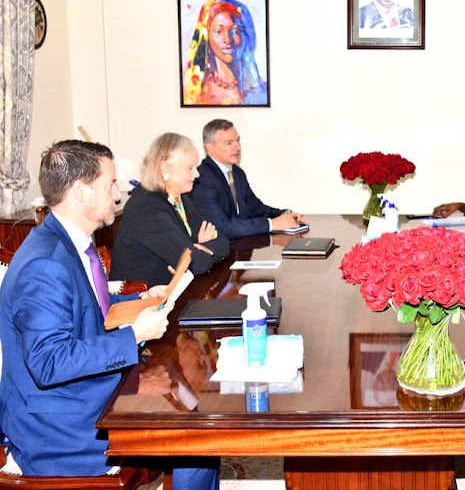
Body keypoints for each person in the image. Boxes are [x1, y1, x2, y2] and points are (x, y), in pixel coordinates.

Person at [0, 140, 218, 487]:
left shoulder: (73, 242)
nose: (117, 196)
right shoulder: (44, 265)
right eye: (109, 185)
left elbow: (89, 309)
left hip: (85, 393)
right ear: (81, 192)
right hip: (59, 429)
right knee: (194, 433)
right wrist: (134, 335)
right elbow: (49, 363)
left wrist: (142, 301)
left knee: (197, 414)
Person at [111, 133, 230, 286]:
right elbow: (196, 263)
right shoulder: (147, 208)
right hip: (138, 301)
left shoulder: (179, 198)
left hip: (170, 294)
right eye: (190, 168)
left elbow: (222, 241)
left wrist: (199, 248)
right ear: (164, 168)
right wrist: (196, 250)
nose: (197, 174)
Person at [189, 119, 305, 239]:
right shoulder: (202, 179)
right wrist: (272, 224)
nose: (237, 147)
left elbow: (255, 208)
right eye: (229, 143)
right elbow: (221, 227)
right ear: (210, 147)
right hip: (220, 253)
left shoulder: (237, 173)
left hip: (243, 248)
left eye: (238, 141)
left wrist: (285, 214)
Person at [183, 0, 267, 106]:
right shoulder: (195, 89)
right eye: (218, 31)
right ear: (206, 36)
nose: (227, 39)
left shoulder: (258, 90)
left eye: (235, 31)